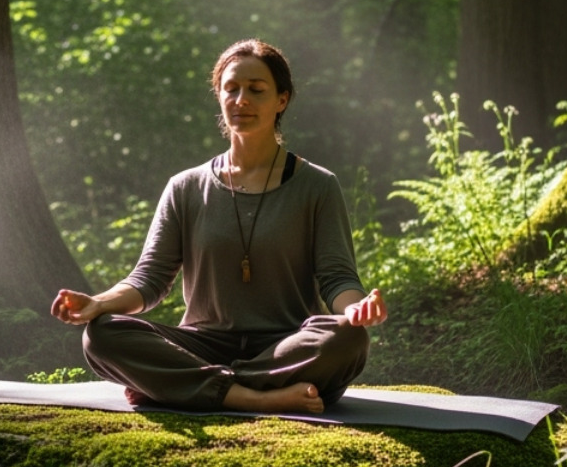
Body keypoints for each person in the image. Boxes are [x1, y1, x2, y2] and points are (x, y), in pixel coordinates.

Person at [51, 38, 387, 415]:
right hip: (202, 343)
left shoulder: (318, 186)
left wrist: (357, 309)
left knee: (346, 339)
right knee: (102, 334)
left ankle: (186, 386)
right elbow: (149, 279)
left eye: (256, 90)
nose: (241, 100)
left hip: (285, 346)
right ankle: (255, 397)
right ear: (219, 96)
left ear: (282, 100)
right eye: (231, 89)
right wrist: (98, 303)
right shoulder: (186, 187)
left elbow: (337, 277)